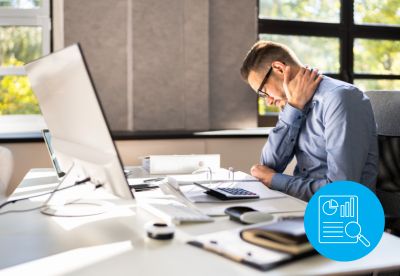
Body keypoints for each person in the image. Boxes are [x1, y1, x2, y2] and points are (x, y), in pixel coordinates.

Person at [240, 41, 378, 201]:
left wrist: (275, 180)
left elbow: (341, 191)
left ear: (279, 69)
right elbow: (268, 166)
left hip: (346, 215)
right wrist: (294, 107)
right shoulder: (292, 104)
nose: (269, 101)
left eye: (264, 92)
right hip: (303, 205)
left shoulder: (340, 99)